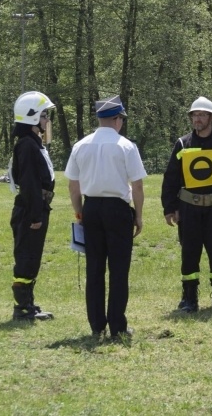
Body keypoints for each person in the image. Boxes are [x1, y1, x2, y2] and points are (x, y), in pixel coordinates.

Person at [65, 96, 146, 339]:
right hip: (117, 209)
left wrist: (79, 212)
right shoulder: (126, 146)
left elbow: (73, 186)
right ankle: (117, 326)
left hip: (91, 208)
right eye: (121, 119)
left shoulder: (81, 145)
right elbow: (138, 186)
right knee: (119, 270)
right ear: (116, 119)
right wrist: (139, 216)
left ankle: (97, 325)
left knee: (95, 268)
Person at [161, 97, 212, 313]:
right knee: (189, 252)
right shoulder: (182, 144)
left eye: (202, 115)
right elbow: (171, 177)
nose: (197, 119)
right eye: (194, 115)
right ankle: (189, 298)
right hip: (189, 209)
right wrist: (169, 208)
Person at [9, 91, 56, 321]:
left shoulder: (33, 143)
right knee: (26, 257)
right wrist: (35, 214)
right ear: (33, 117)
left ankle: (28, 304)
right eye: (45, 115)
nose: (48, 120)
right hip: (30, 211)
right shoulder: (27, 145)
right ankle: (22, 308)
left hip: (36, 208)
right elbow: (28, 183)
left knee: (33, 257)